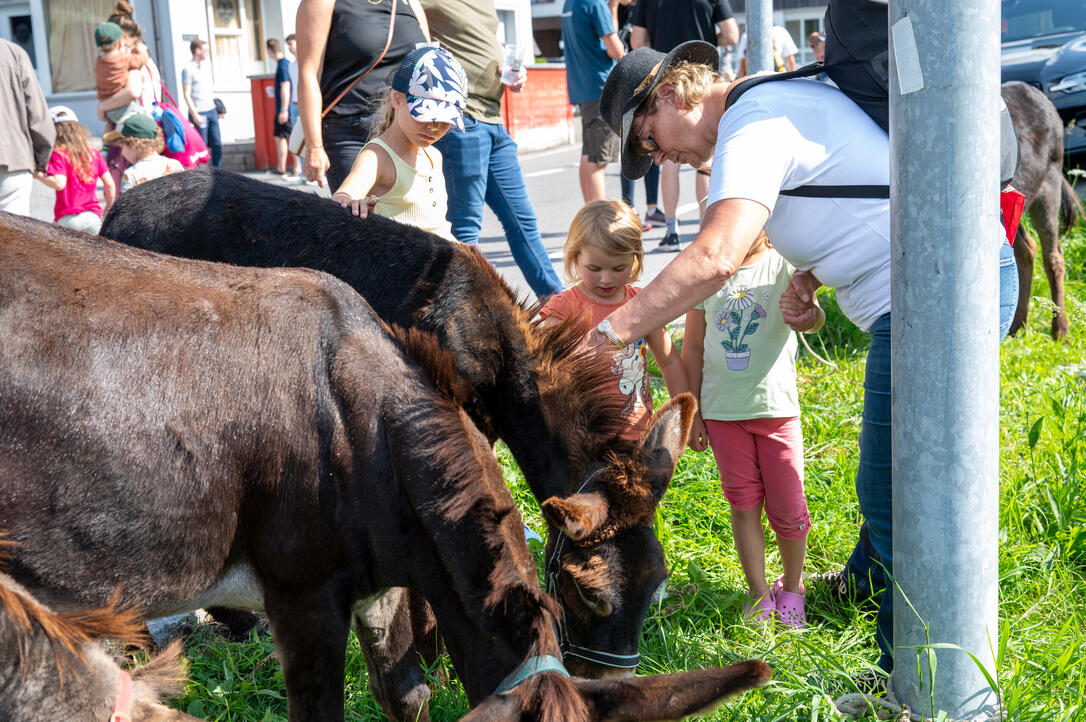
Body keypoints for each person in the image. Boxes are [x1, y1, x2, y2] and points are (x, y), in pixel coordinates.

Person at [592, 40, 1018, 677]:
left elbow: (714, 258)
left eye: (650, 139)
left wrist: (608, 332)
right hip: (936, 285)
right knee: (900, 484)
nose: (659, 158)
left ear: (674, 94)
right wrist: (814, 277)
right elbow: (855, 188)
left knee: (891, 496)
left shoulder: (751, 125)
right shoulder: (765, 103)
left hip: (938, 295)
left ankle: (917, 680)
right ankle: (861, 592)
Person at [682, 230, 822, 627]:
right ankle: (759, 594)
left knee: (790, 508)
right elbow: (692, 347)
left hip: (776, 410)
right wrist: (694, 412)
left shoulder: (785, 265)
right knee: (743, 505)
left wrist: (811, 316)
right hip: (724, 414)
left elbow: (813, 316)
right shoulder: (708, 275)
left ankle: (792, 589)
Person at [421, 0, 564, 298]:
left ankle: (557, 308)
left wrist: (512, 75)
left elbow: (481, 44)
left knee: (522, 222)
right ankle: (457, 320)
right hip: (463, 118)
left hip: (494, 119)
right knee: (465, 230)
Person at [539, 200, 691, 440]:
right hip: (583, 437)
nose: (606, 279)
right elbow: (545, 375)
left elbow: (669, 361)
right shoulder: (562, 310)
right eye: (594, 268)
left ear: (635, 258)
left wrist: (682, 422)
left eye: (618, 268)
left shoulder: (642, 304)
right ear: (575, 257)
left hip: (638, 433)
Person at [630, 0, 737, 252]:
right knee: (705, 161)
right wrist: (709, 39)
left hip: (662, 77)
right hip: (701, 77)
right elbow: (731, 34)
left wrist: (661, 55)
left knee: (667, 158)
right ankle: (706, 230)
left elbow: (636, 42)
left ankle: (671, 230)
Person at [330, 46, 466, 241]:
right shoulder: (376, 157)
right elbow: (341, 198)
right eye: (425, 115)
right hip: (403, 266)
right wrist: (350, 203)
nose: (434, 128)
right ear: (397, 98)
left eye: (445, 121)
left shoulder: (434, 155)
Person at [295, 0, 430, 190]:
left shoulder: (410, 3)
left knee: (408, 214)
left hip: (403, 128)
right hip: (349, 131)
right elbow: (308, 74)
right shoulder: (323, 2)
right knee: (359, 215)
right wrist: (314, 146)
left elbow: (427, 65)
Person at [561, 0, 627, 203]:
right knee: (598, 159)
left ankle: (591, 214)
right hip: (601, 89)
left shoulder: (571, 4)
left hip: (583, 89)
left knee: (589, 155)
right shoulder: (595, 4)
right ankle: (598, 222)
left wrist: (613, 8)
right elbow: (616, 51)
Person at [34, 106, 116, 234]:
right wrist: (109, 207)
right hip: (93, 217)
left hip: (68, 218)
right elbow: (109, 183)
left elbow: (60, 183)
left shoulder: (59, 154)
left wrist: (37, 175)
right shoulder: (93, 154)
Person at [617, 0, 661, 231]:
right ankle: (629, 208)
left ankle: (652, 209)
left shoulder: (644, 6)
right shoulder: (617, 9)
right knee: (631, 147)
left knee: (653, 143)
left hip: (648, 78)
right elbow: (615, 44)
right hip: (625, 84)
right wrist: (614, 7)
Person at [0, 37, 54, 216]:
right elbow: (37, 113)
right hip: (12, 158)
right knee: (12, 236)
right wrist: (41, 157)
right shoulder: (13, 53)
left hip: (12, 158)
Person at [105, 112, 183, 193]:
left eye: (122, 145)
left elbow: (127, 205)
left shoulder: (132, 175)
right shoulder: (175, 165)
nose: (122, 152)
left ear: (133, 143)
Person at [93, 21, 145, 128]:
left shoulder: (98, 63)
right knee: (143, 121)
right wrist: (142, 51)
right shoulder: (124, 58)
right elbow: (140, 60)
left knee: (113, 130)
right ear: (120, 42)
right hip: (125, 107)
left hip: (108, 107)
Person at [182, 38, 222, 167]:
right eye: (206, 50)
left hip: (211, 110)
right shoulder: (188, 70)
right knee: (201, 148)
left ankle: (218, 174)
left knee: (217, 144)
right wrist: (194, 114)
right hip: (199, 112)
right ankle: (202, 176)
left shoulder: (204, 68)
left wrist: (218, 108)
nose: (208, 52)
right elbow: (186, 94)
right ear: (197, 51)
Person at [267, 38, 293, 175]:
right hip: (285, 108)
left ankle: (286, 168)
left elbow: (285, 86)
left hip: (284, 109)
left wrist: (283, 110)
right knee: (281, 136)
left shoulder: (283, 65)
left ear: (269, 50)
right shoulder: (286, 64)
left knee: (284, 137)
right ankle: (282, 167)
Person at [285, 33, 303, 178]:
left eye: (291, 44)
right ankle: (303, 174)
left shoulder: (307, 62)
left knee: (308, 140)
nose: (289, 48)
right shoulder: (291, 66)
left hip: (305, 105)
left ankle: (317, 175)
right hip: (294, 105)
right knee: (296, 141)